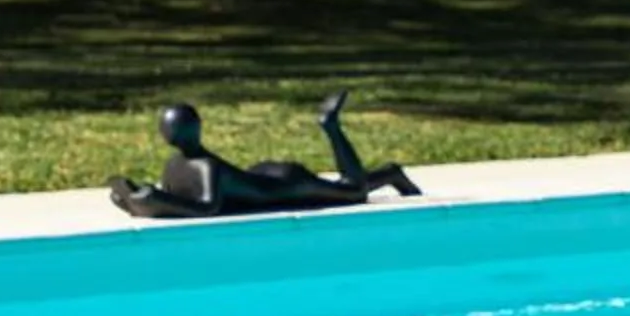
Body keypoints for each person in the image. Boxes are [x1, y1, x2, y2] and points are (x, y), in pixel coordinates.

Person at [108, 90, 420, 219]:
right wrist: (142, 201)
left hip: (286, 185)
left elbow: (207, 208)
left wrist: (156, 201)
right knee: (339, 188)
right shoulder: (177, 164)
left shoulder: (205, 166)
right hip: (261, 177)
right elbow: (177, 197)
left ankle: (332, 127)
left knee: (353, 191)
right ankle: (392, 174)